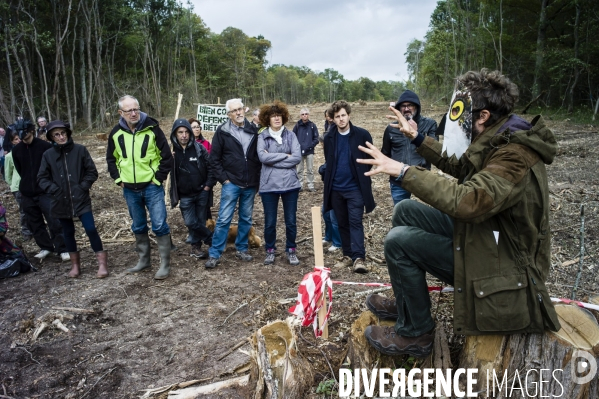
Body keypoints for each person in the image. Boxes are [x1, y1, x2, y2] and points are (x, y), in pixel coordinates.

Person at [357, 69, 561, 358]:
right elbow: (464, 166)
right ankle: (408, 304)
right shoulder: (500, 136)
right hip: (489, 238)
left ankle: (416, 332)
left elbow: (469, 200)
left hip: (506, 265)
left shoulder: (514, 153)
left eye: (462, 113)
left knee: (398, 241)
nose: (456, 120)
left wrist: (403, 171)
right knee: (405, 210)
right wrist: (418, 139)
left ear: (483, 116)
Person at [106, 95, 173, 279]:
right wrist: (119, 180)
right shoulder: (116, 133)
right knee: (138, 225)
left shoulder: (153, 129)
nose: (134, 113)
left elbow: (166, 157)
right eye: (129, 111)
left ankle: (165, 264)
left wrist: (157, 179)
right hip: (129, 188)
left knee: (159, 225)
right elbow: (112, 160)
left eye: (136, 109)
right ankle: (144, 260)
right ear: (121, 113)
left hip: (152, 187)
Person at [38, 121, 108, 278]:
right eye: (56, 134)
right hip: (60, 200)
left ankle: (102, 263)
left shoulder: (80, 150)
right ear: (51, 137)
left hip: (81, 198)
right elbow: (41, 178)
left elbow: (92, 171)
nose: (61, 137)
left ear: (68, 133)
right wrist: (53, 189)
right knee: (68, 232)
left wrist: (83, 186)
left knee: (90, 228)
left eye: (63, 133)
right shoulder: (48, 155)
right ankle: (75, 265)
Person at [205, 98, 260, 269]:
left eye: (240, 109)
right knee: (223, 219)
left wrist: (256, 177)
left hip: (250, 183)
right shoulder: (222, 132)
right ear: (229, 114)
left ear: (244, 110)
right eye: (234, 110)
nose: (238, 113)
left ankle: (242, 248)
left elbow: (258, 156)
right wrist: (224, 179)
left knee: (246, 218)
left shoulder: (253, 130)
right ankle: (215, 253)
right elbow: (213, 159)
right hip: (231, 183)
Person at [322, 101, 375, 274]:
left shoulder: (362, 135)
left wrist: (360, 176)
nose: (341, 119)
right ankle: (347, 254)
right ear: (333, 119)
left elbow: (369, 159)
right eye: (337, 117)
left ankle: (359, 258)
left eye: (343, 115)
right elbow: (329, 161)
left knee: (355, 222)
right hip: (336, 188)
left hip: (355, 188)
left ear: (349, 115)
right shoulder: (329, 137)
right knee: (342, 222)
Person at [11, 118, 69, 261]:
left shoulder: (45, 147)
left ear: (31, 131)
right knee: (34, 222)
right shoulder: (16, 150)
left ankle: (62, 248)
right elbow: (20, 170)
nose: (22, 135)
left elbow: (54, 169)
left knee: (54, 221)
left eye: (25, 132)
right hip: (27, 193)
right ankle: (46, 247)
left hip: (45, 192)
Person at [256, 101, 301, 266]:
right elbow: (262, 157)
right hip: (269, 186)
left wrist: (273, 158)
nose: (277, 119)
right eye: (273, 116)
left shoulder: (291, 135)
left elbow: (296, 157)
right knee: (270, 221)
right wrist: (285, 156)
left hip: (290, 185)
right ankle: (270, 250)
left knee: (290, 220)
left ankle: (291, 249)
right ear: (267, 119)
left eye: (279, 115)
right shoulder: (262, 136)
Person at [169, 118, 215, 259]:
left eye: (186, 132)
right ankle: (210, 238)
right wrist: (168, 159)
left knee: (200, 221)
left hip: (201, 192)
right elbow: (162, 168)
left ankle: (196, 248)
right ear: (175, 134)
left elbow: (211, 167)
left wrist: (208, 186)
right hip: (185, 195)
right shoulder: (171, 152)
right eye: (180, 132)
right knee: (190, 222)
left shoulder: (199, 149)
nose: (184, 135)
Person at [382, 90, 437, 205]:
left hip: (423, 178)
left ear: (416, 106)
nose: (406, 109)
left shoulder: (430, 124)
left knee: (425, 215)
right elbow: (386, 153)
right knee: (401, 213)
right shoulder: (391, 128)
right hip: (399, 180)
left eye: (410, 105)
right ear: (399, 108)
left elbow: (435, 152)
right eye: (403, 106)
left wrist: (416, 134)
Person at [4, 133, 33, 241]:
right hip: (18, 187)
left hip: (31, 185)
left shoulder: (29, 152)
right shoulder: (9, 156)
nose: (19, 140)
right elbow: (7, 175)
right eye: (16, 139)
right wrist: (15, 185)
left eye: (20, 138)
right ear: (12, 142)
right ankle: (26, 232)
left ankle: (35, 229)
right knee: (24, 210)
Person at [292, 108, 319, 192]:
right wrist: (296, 147)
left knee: (310, 169)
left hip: (309, 151)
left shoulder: (312, 125)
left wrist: (310, 145)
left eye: (306, 114)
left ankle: (310, 185)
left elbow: (316, 138)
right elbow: (293, 137)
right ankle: (299, 185)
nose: (304, 115)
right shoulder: (297, 126)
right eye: (303, 114)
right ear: (300, 115)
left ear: (308, 115)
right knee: (299, 169)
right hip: (299, 151)